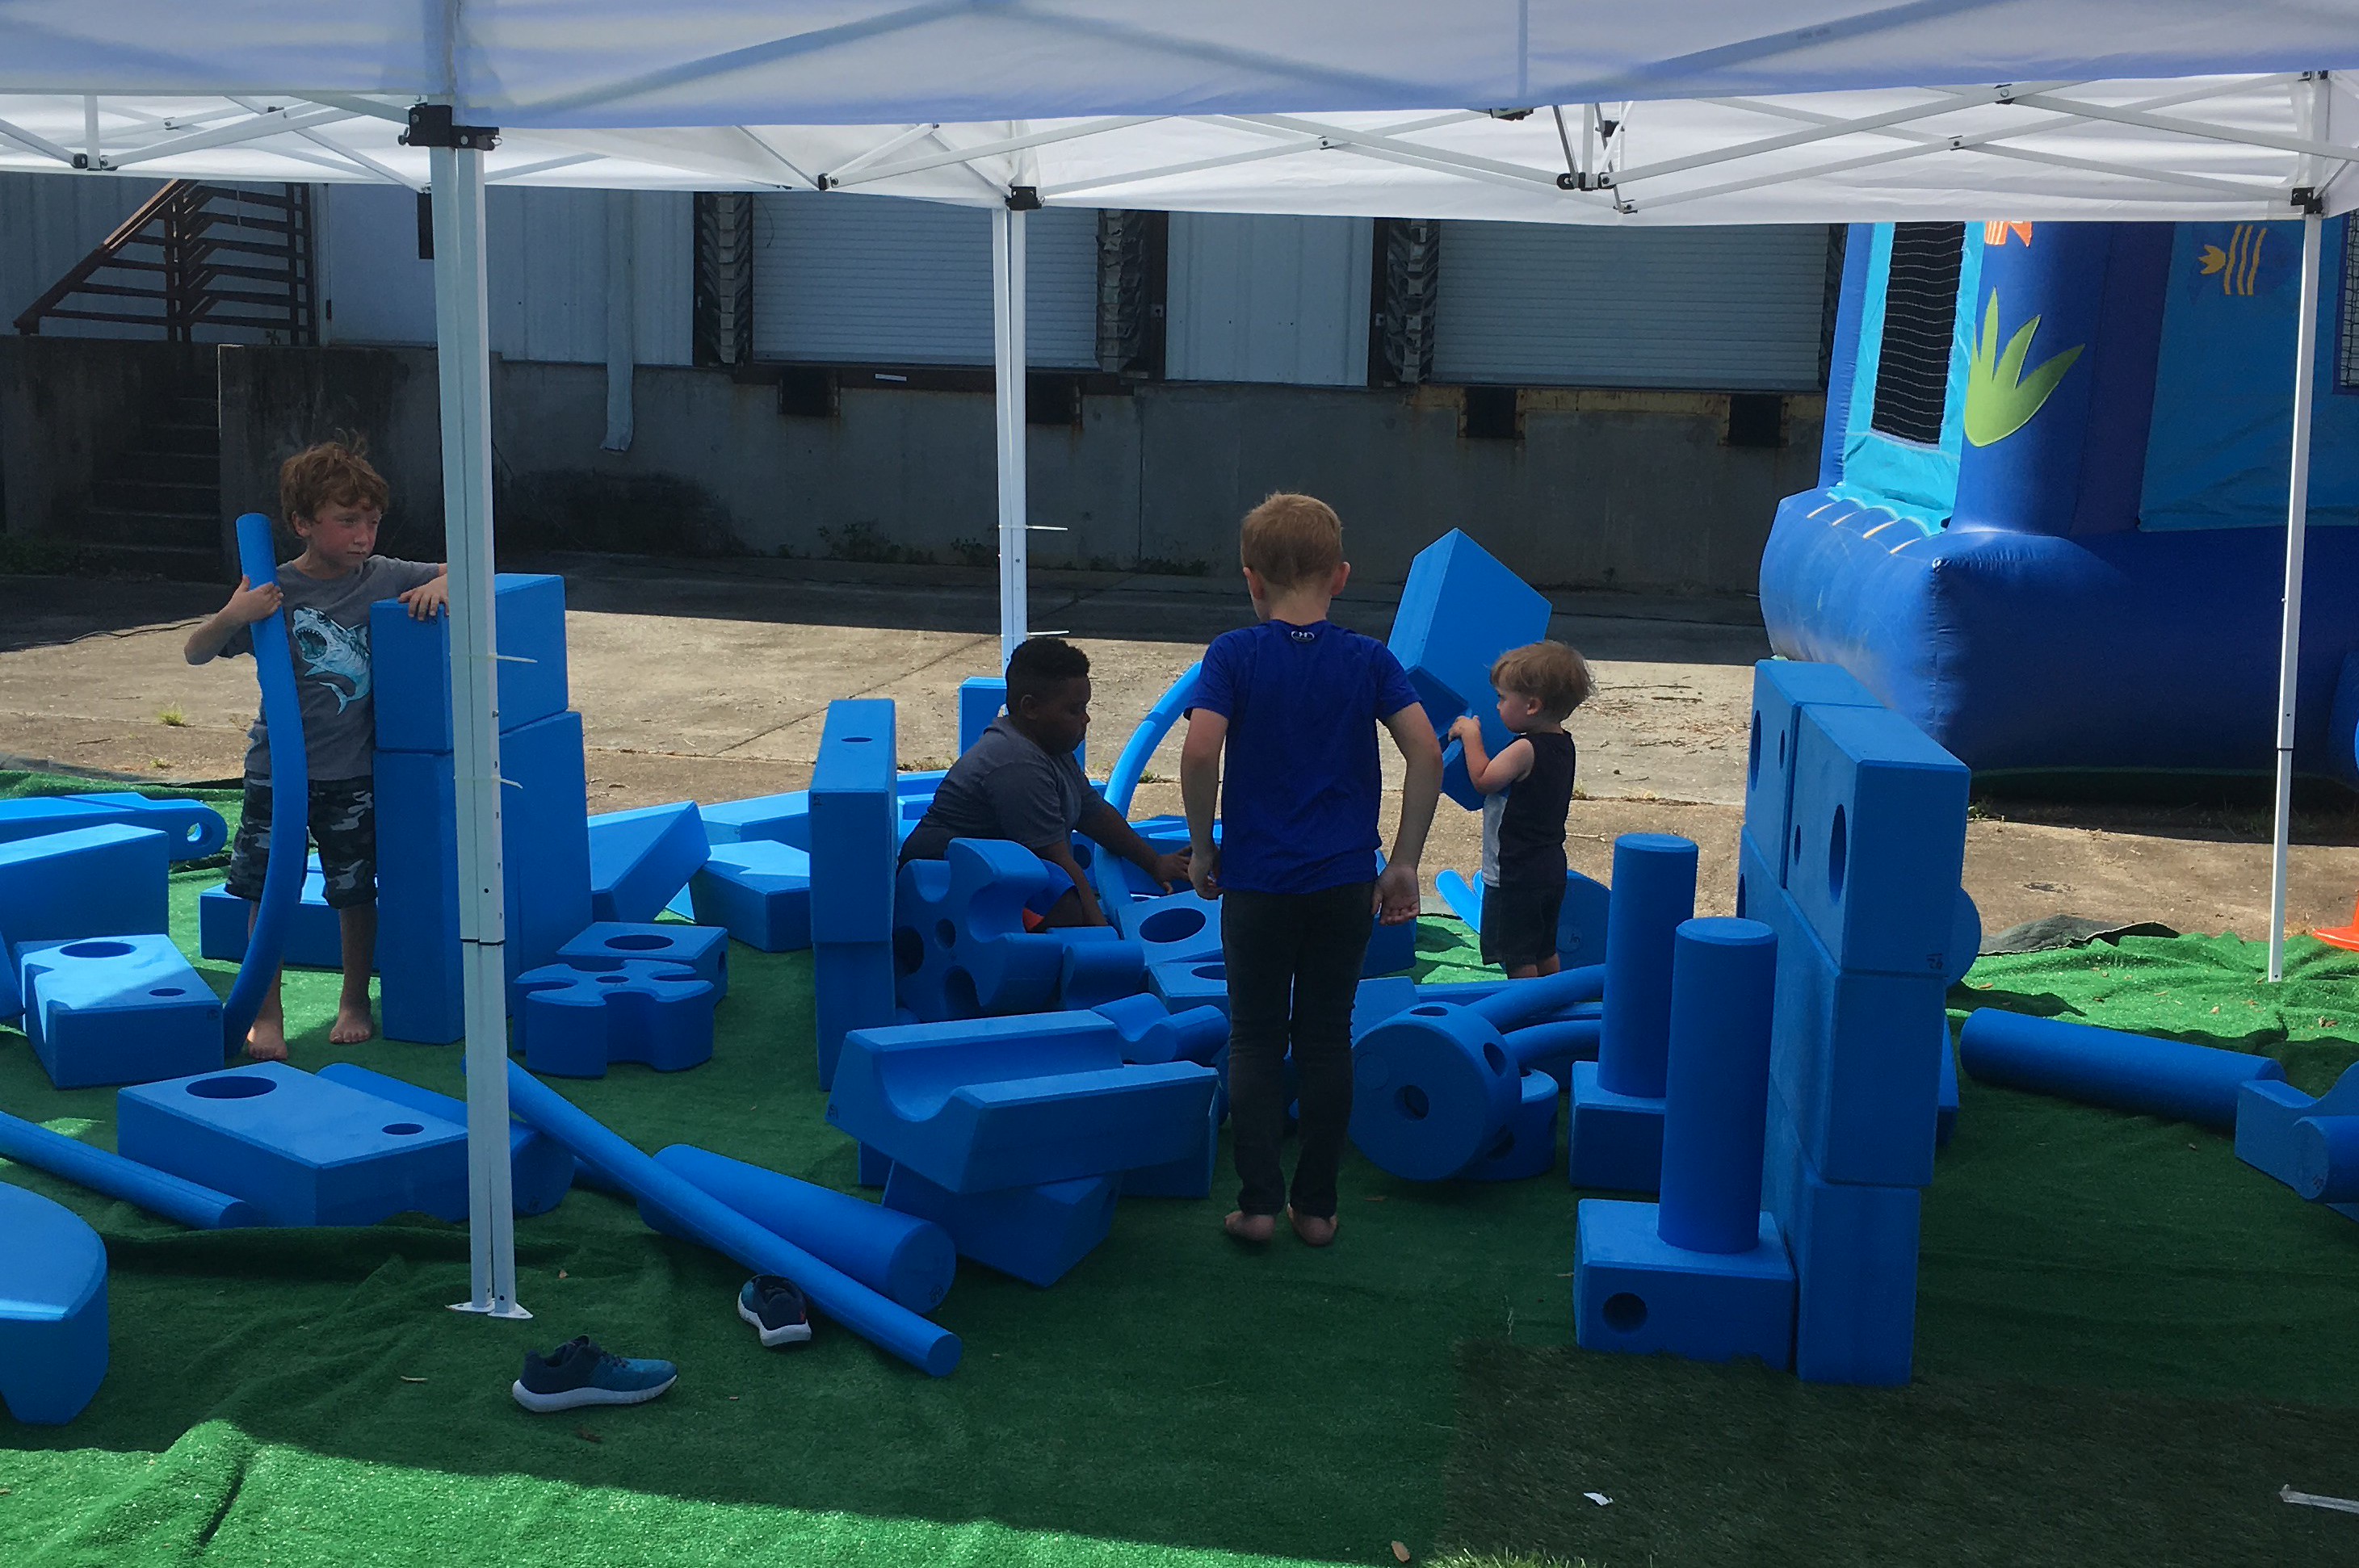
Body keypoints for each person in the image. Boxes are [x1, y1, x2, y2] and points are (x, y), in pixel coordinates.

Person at [1180, 493, 1442, 1248]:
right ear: (1340, 576)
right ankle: (1318, 1210)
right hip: (1341, 883)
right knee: (1327, 1037)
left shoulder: (1233, 654)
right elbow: (1425, 751)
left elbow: (1200, 751)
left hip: (1259, 883)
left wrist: (1203, 846)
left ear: (1251, 581)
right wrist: (1403, 862)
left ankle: (1258, 1205)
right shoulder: (1369, 659)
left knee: (1255, 1040)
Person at [185, 440, 447, 1059]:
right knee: (264, 890)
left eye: (372, 520)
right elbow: (196, 650)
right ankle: (265, 1014)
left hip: (351, 771)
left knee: (354, 891)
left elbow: (473, 566)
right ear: (303, 523)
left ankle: (354, 997)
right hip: (277, 772)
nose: (363, 535)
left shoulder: (381, 575)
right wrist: (235, 612)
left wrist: (444, 589)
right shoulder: (272, 588)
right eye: (347, 520)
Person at [900, 636, 1190, 926]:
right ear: (1031, 708)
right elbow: (1061, 865)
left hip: (990, 873)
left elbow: (1095, 814)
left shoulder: (1050, 746)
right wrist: (1104, 940)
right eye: (1074, 710)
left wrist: (1154, 862)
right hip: (939, 889)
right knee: (1063, 900)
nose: (1086, 719)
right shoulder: (1016, 763)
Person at [1450, 641, 1591, 979]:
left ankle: (1526, 1016)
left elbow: (1484, 780)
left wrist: (1470, 736)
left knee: (1518, 956)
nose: (1497, 707)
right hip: (1549, 867)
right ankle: (1554, 1003)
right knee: (1544, 948)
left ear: (1532, 706)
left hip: (1516, 873)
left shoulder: (1525, 749)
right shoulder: (1563, 744)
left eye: (1502, 698)